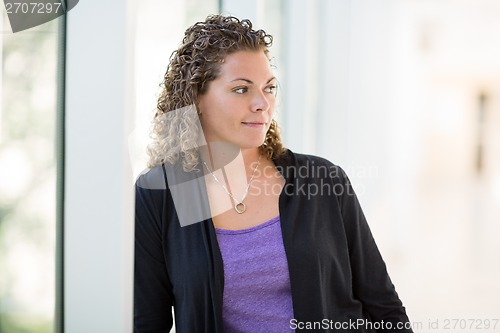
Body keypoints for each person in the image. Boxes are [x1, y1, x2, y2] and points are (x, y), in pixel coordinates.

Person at [134, 14, 413, 333]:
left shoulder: (321, 178)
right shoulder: (163, 192)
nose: (262, 103)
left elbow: (382, 302)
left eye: (269, 88)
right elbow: (146, 320)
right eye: (241, 89)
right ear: (196, 98)